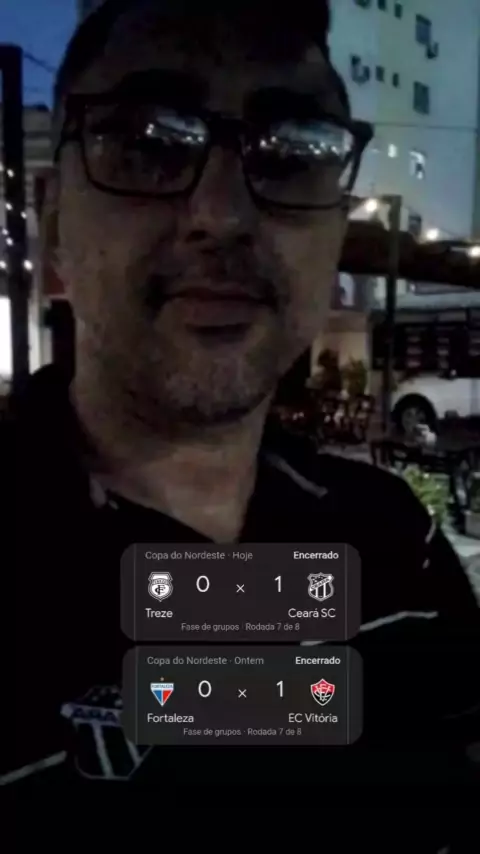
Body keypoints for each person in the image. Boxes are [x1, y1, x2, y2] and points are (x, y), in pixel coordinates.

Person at [2, 0, 480, 797]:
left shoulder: (400, 544)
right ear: (54, 226)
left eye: (295, 151)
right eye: (147, 143)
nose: (223, 215)